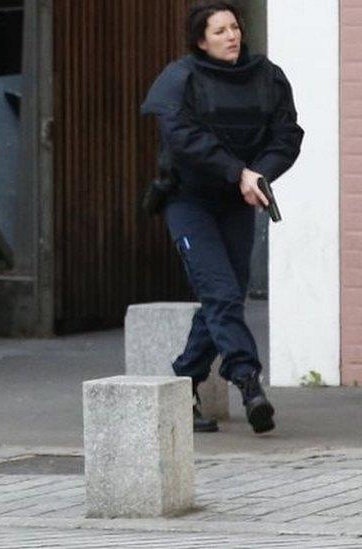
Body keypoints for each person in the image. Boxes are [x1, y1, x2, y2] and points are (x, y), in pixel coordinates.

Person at [142, 2, 303, 434]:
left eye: (235, 27)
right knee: (221, 292)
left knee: (225, 297)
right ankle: (248, 381)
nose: (232, 36)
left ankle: (183, 382)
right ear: (200, 41)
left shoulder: (267, 76)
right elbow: (182, 138)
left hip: (237, 201)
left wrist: (260, 174)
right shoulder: (181, 79)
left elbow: (287, 134)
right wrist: (240, 172)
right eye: (220, 31)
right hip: (188, 202)